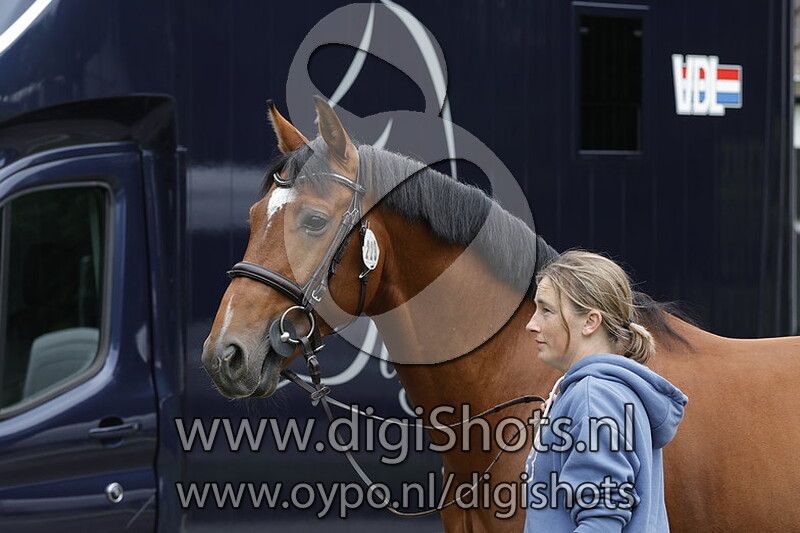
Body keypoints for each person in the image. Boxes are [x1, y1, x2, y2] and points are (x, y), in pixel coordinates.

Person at [524, 250, 688, 532]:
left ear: (590, 322)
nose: (532, 324)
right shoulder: (602, 393)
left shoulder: (594, 398)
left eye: (546, 310)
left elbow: (601, 523)